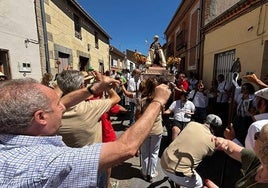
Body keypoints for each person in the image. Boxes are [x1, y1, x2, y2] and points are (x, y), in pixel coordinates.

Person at [0, 73, 171, 187]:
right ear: (40, 117)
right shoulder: (50, 163)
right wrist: (158, 102)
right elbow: (127, 147)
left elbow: (65, 102)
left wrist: (93, 88)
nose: (63, 106)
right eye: (58, 105)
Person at [160, 114, 223, 188]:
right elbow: (209, 153)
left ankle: (176, 184)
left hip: (163, 161)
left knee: (182, 162)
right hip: (178, 174)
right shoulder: (213, 140)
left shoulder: (191, 124)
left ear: (205, 121)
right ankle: (177, 181)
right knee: (200, 184)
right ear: (215, 129)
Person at [135, 77, 165, 182]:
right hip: (157, 130)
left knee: (145, 152)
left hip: (145, 130)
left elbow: (137, 115)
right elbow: (163, 112)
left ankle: (144, 172)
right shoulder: (160, 101)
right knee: (154, 152)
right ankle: (151, 174)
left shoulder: (142, 101)